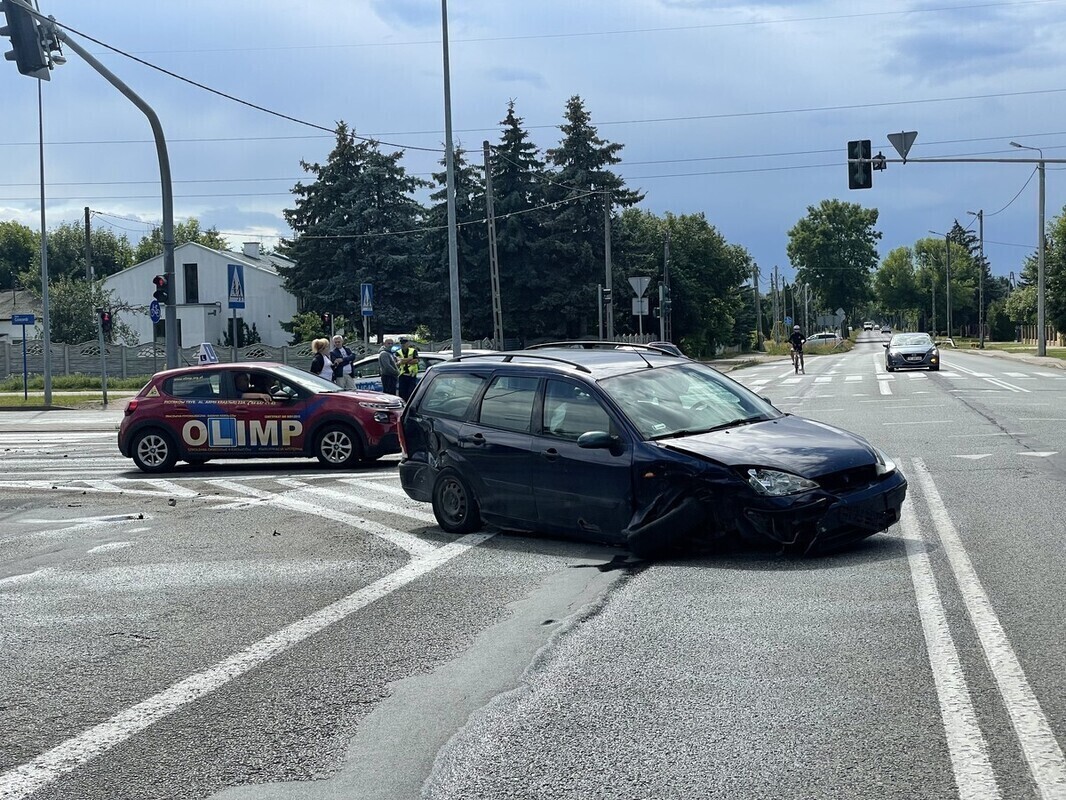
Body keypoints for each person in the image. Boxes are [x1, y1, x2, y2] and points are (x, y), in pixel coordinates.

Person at [396, 336, 420, 401]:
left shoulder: (413, 351)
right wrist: (410, 358)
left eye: (405, 343)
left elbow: (416, 361)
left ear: (408, 343)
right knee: (402, 394)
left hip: (411, 375)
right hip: (402, 375)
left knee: (411, 394)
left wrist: (403, 360)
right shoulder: (398, 352)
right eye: (402, 343)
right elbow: (398, 362)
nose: (403, 344)